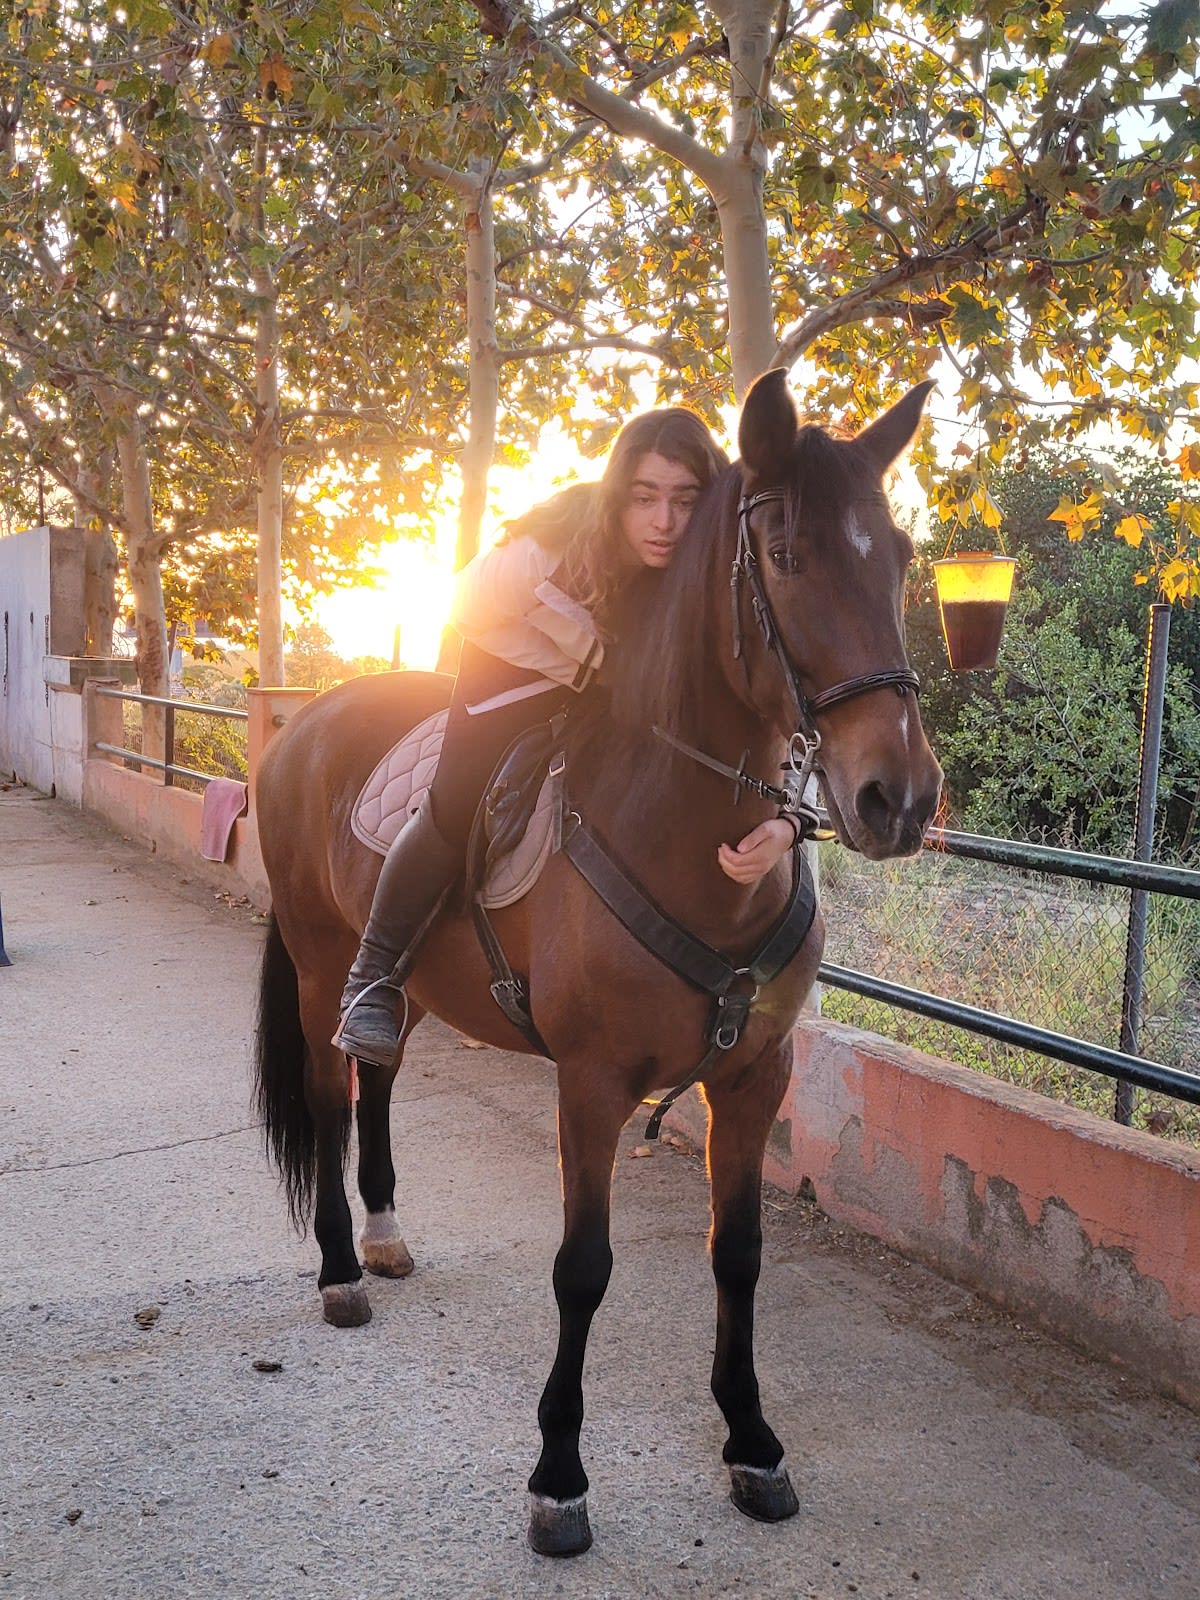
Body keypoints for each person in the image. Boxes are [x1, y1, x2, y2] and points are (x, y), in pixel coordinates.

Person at [333, 407, 800, 1068]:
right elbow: (464, 603)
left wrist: (786, 819)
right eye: (644, 499)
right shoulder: (553, 542)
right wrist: (579, 661)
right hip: (515, 671)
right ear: (618, 497)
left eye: (683, 500)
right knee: (456, 800)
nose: (663, 522)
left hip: (623, 690)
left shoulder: (721, 560)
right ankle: (372, 981)